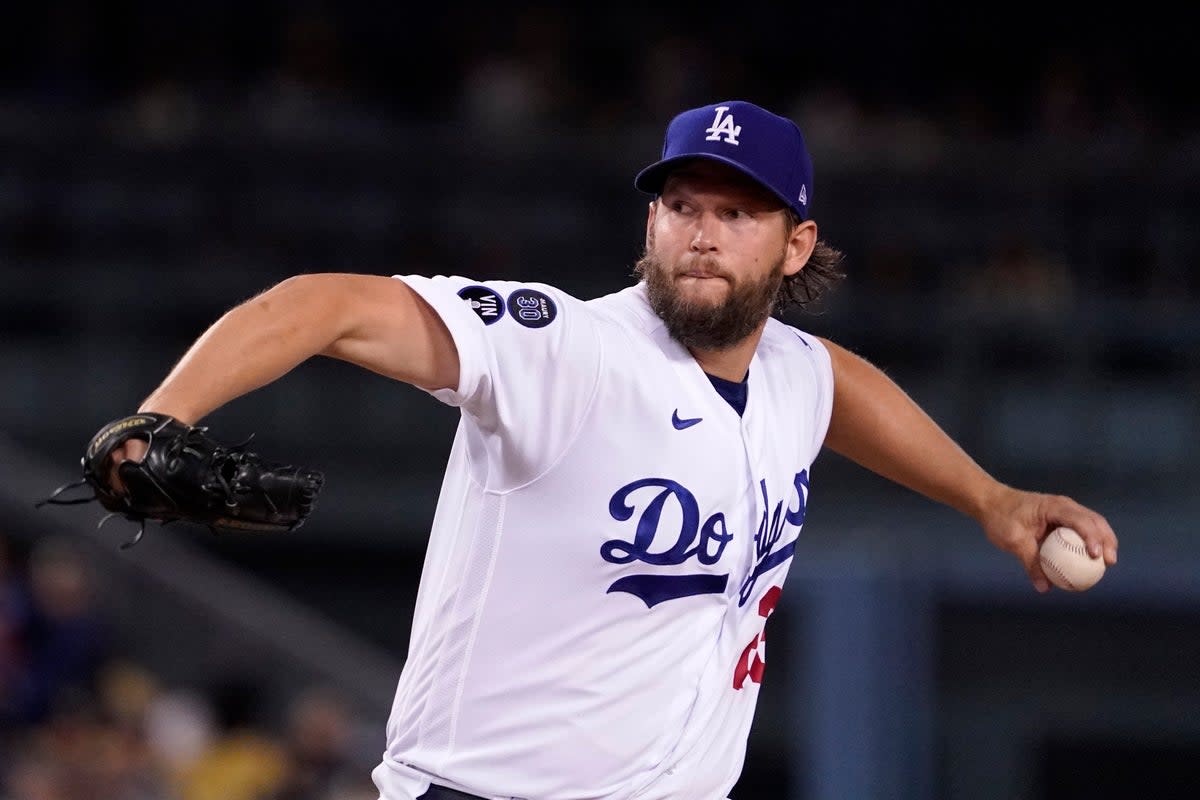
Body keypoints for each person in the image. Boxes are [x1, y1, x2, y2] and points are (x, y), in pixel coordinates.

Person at [102, 100, 1118, 800]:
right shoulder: (566, 348)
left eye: (737, 210)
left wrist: (990, 500)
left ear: (795, 244)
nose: (702, 233)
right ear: (651, 218)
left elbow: (839, 386)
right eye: (682, 205)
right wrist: (160, 416)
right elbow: (323, 304)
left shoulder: (796, 373)